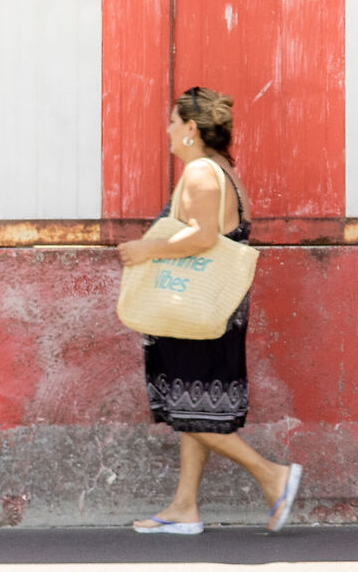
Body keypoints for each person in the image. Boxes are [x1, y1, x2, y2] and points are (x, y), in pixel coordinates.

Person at [117, 86, 301, 534]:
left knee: (190, 408)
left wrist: (147, 250)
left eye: (173, 122)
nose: (167, 129)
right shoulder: (223, 171)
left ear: (191, 129)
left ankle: (272, 475)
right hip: (210, 307)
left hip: (192, 309)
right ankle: (184, 508)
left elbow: (201, 237)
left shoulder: (201, 172)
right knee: (194, 405)